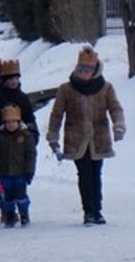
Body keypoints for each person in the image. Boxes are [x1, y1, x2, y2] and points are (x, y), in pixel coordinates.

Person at [46, 46, 125, 225]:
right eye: (80, 69)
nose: (82, 73)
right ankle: (89, 211)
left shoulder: (106, 88)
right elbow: (56, 114)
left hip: (99, 138)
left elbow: (115, 108)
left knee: (96, 173)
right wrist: (53, 137)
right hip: (76, 139)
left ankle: (97, 210)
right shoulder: (66, 89)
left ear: (94, 71)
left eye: (86, 70)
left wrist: (118, 126)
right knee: (84, 174)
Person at [0, 105, 36, 227]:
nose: (11, 125)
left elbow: (31, 155)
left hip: (20, 172)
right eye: (8, 122)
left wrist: (29, 171)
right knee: (6, 197)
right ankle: (9, 216)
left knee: (21, 196)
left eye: (13, 122)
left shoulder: (25, 136)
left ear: (18, 122)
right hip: (4, 172)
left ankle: (23, 214)